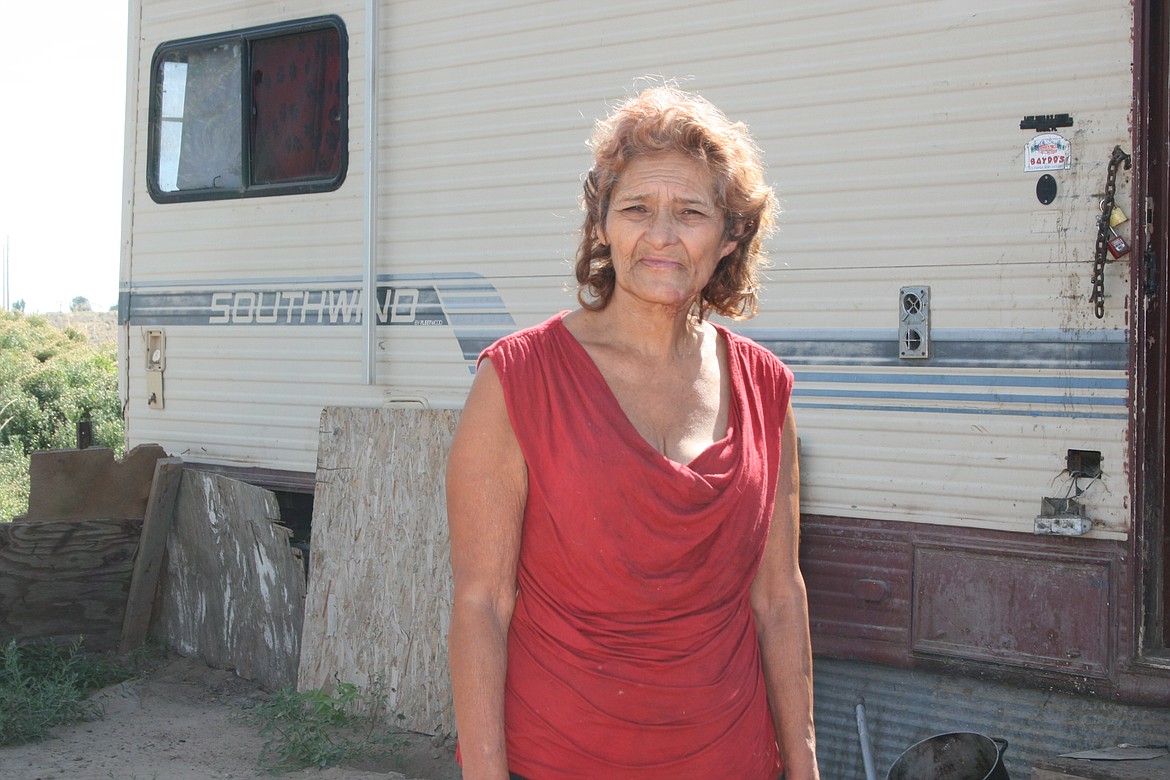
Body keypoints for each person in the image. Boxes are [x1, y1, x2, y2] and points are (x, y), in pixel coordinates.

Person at [446, 84, 819, 780]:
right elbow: (481, 605)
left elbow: (778, 596)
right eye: (637, 209)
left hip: (730, 760)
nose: (661, 236)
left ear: (731, 234)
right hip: (557, 759)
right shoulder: (517, 382)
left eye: (692, 212)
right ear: (601, 226)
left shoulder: (765, 389)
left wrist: (804, 766)